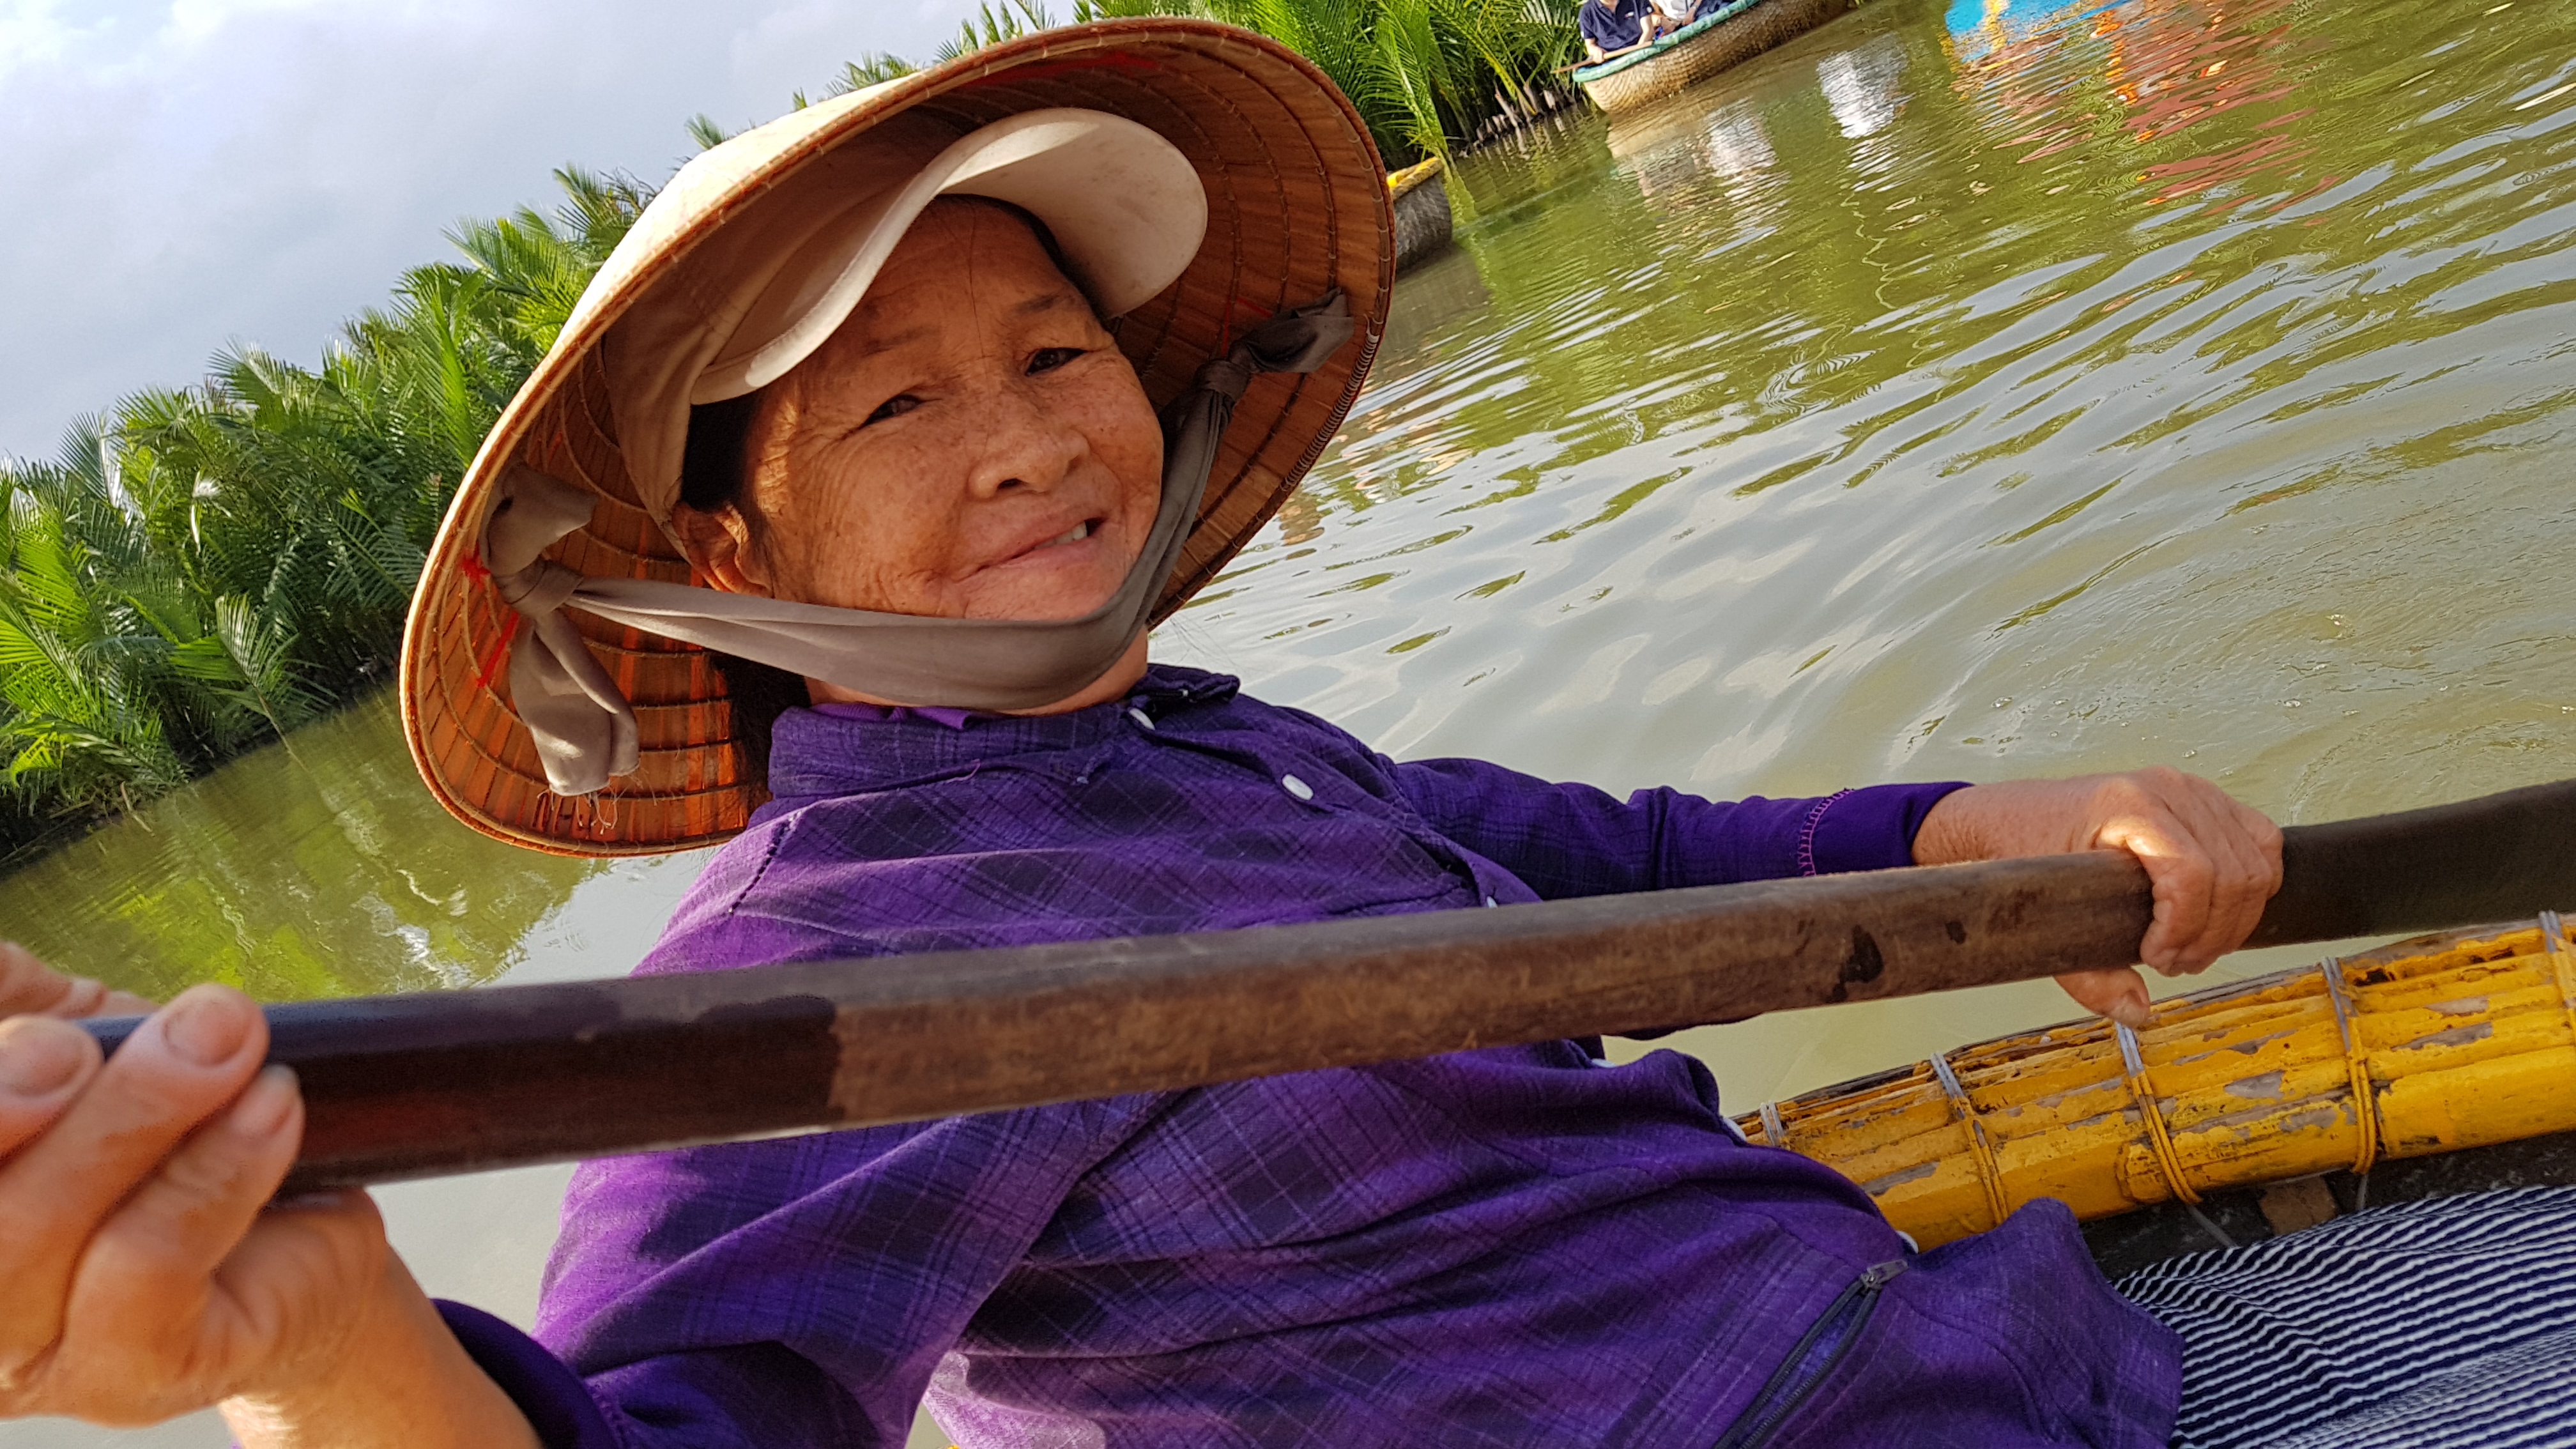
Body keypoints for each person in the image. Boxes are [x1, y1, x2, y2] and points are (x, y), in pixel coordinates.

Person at [0, 20, 2296, 1449]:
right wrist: (325, 1346)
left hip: (1974, 1357)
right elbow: (679, 1414)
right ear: (708, 565)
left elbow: (1665, 852)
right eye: (894, 403)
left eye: (1050, 351)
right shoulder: (812, 982)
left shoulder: (1238, 756)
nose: (1021, 440)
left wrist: (2043, 821)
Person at [1581, 0, 1675, 63]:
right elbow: (1590, 45)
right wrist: (1596, 51)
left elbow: (1648, 30)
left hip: (1643, 51)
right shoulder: (1587, 12)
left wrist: (1636, 55)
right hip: (1612, 60)